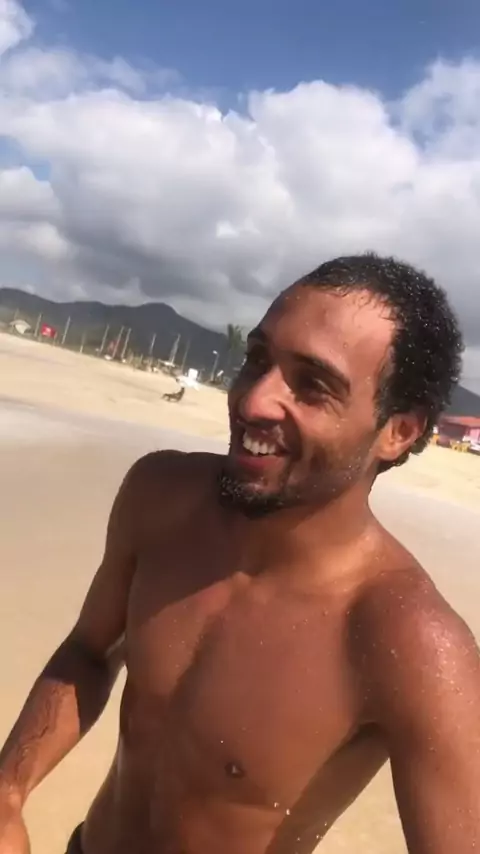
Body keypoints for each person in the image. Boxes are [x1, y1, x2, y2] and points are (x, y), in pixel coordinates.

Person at [0, 252, 478, 854]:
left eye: (314, 386)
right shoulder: (160, 499)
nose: (254, 402)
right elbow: (89, 653)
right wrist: (8, 791)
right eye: (257, 359)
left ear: (398, 432)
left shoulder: (408, 640)